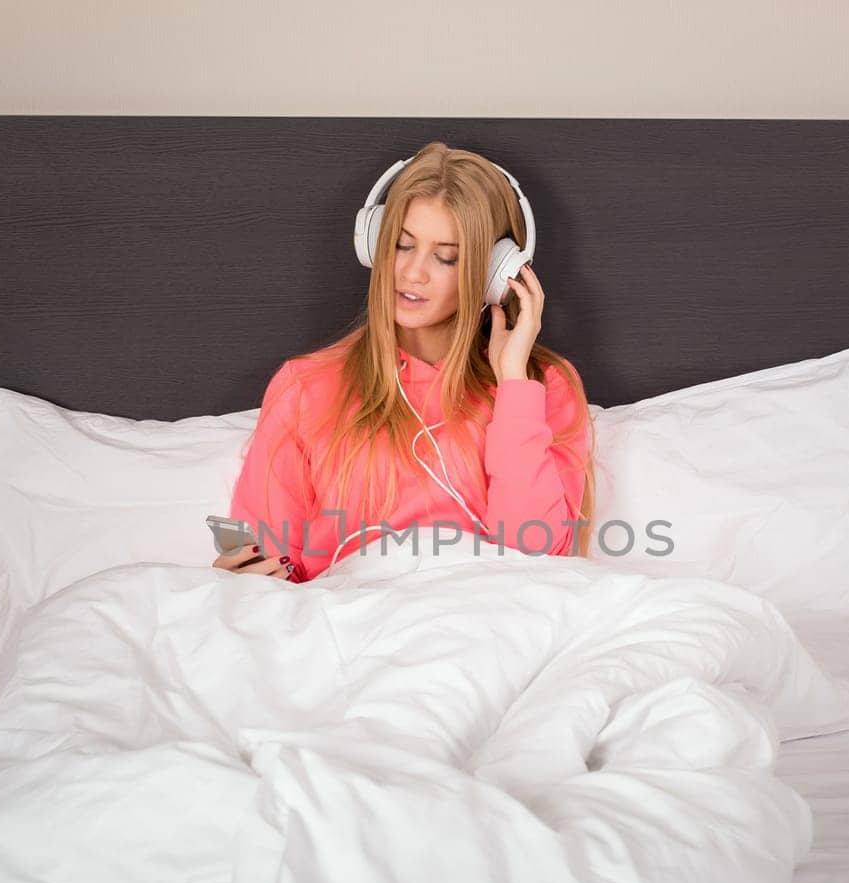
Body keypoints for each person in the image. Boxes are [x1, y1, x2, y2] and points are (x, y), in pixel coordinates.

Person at [213, 141, 594, 583]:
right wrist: (244, 577)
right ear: (374, 246)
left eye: (446, 257)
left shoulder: (540, 387)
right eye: (402, 245)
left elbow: (539, 556)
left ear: (493, 273)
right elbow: (270, 569)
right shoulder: (305, 387)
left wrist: (512, 385)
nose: (413, 273)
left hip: (487, 624)